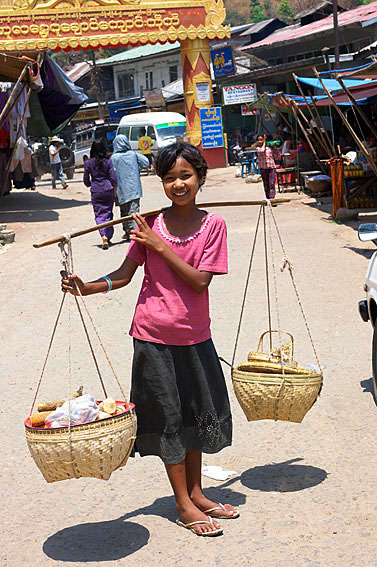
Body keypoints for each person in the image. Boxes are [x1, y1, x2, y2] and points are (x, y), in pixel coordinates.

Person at [62, 141, 237, 537]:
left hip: (195, 338)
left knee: (196, 415)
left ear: (200, 178)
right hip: (153, 338)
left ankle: (198, 492)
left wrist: (161, 247)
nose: (178, 184)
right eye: (170, 178)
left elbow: (199, 282)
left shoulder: (213, 226)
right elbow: (124, 276)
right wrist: (86, 286)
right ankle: (182, 503)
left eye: (186, 176)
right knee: (170, 420)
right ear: (160, 182)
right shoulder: (149, 225)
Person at [111, 134, 149, 242]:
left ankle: (128, 232)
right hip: (134, 189)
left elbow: (111, 174)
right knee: (134, 212)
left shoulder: (114, 158)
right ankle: (134, 234)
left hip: (121, 191)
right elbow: (146, 163)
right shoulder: (133, 155)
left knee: (124, 212)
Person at [83, 139, 117, 250]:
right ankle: (108, 234)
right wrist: (114, 187)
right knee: (108, 212)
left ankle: (103, 236)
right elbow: (113, 178)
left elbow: (86, 180)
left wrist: (89, 184)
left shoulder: (88, 163)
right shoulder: (108, 161)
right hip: (108, 189)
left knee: (99, 214)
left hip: (96, 191)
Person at [255, 134, 279, 199]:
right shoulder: (258, 148)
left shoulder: (269, 148)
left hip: (271, 167)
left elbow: (277, 157)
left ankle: (272, 198)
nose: (261, 141)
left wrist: (274, 148)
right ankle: (268, 198)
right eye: (259, 140)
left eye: (262, 140)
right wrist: (264, 142)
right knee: (266, 184)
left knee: (272, 184)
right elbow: (262, 150)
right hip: (263, 168)